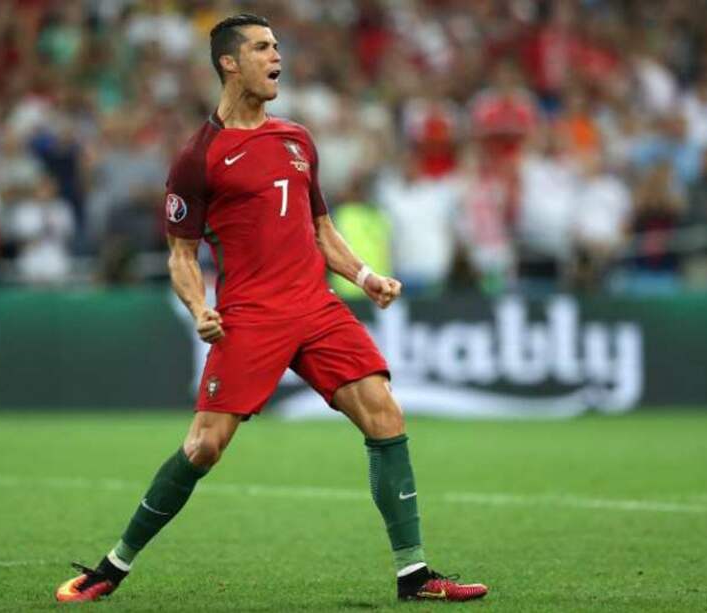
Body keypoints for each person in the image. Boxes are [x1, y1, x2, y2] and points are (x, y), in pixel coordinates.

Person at [55, 14, 488, 605]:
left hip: (316, 305)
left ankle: (414, 576)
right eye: (261, 48)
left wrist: (364, 275)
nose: (275, 56)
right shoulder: (198, 157)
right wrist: (197, 307)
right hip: (250, 316)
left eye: (277, 46)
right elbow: (181, 253)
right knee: (203, 447)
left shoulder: (297, 139)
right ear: (229, 63)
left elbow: (321, 228)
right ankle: (113, 566)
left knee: (384, 414)